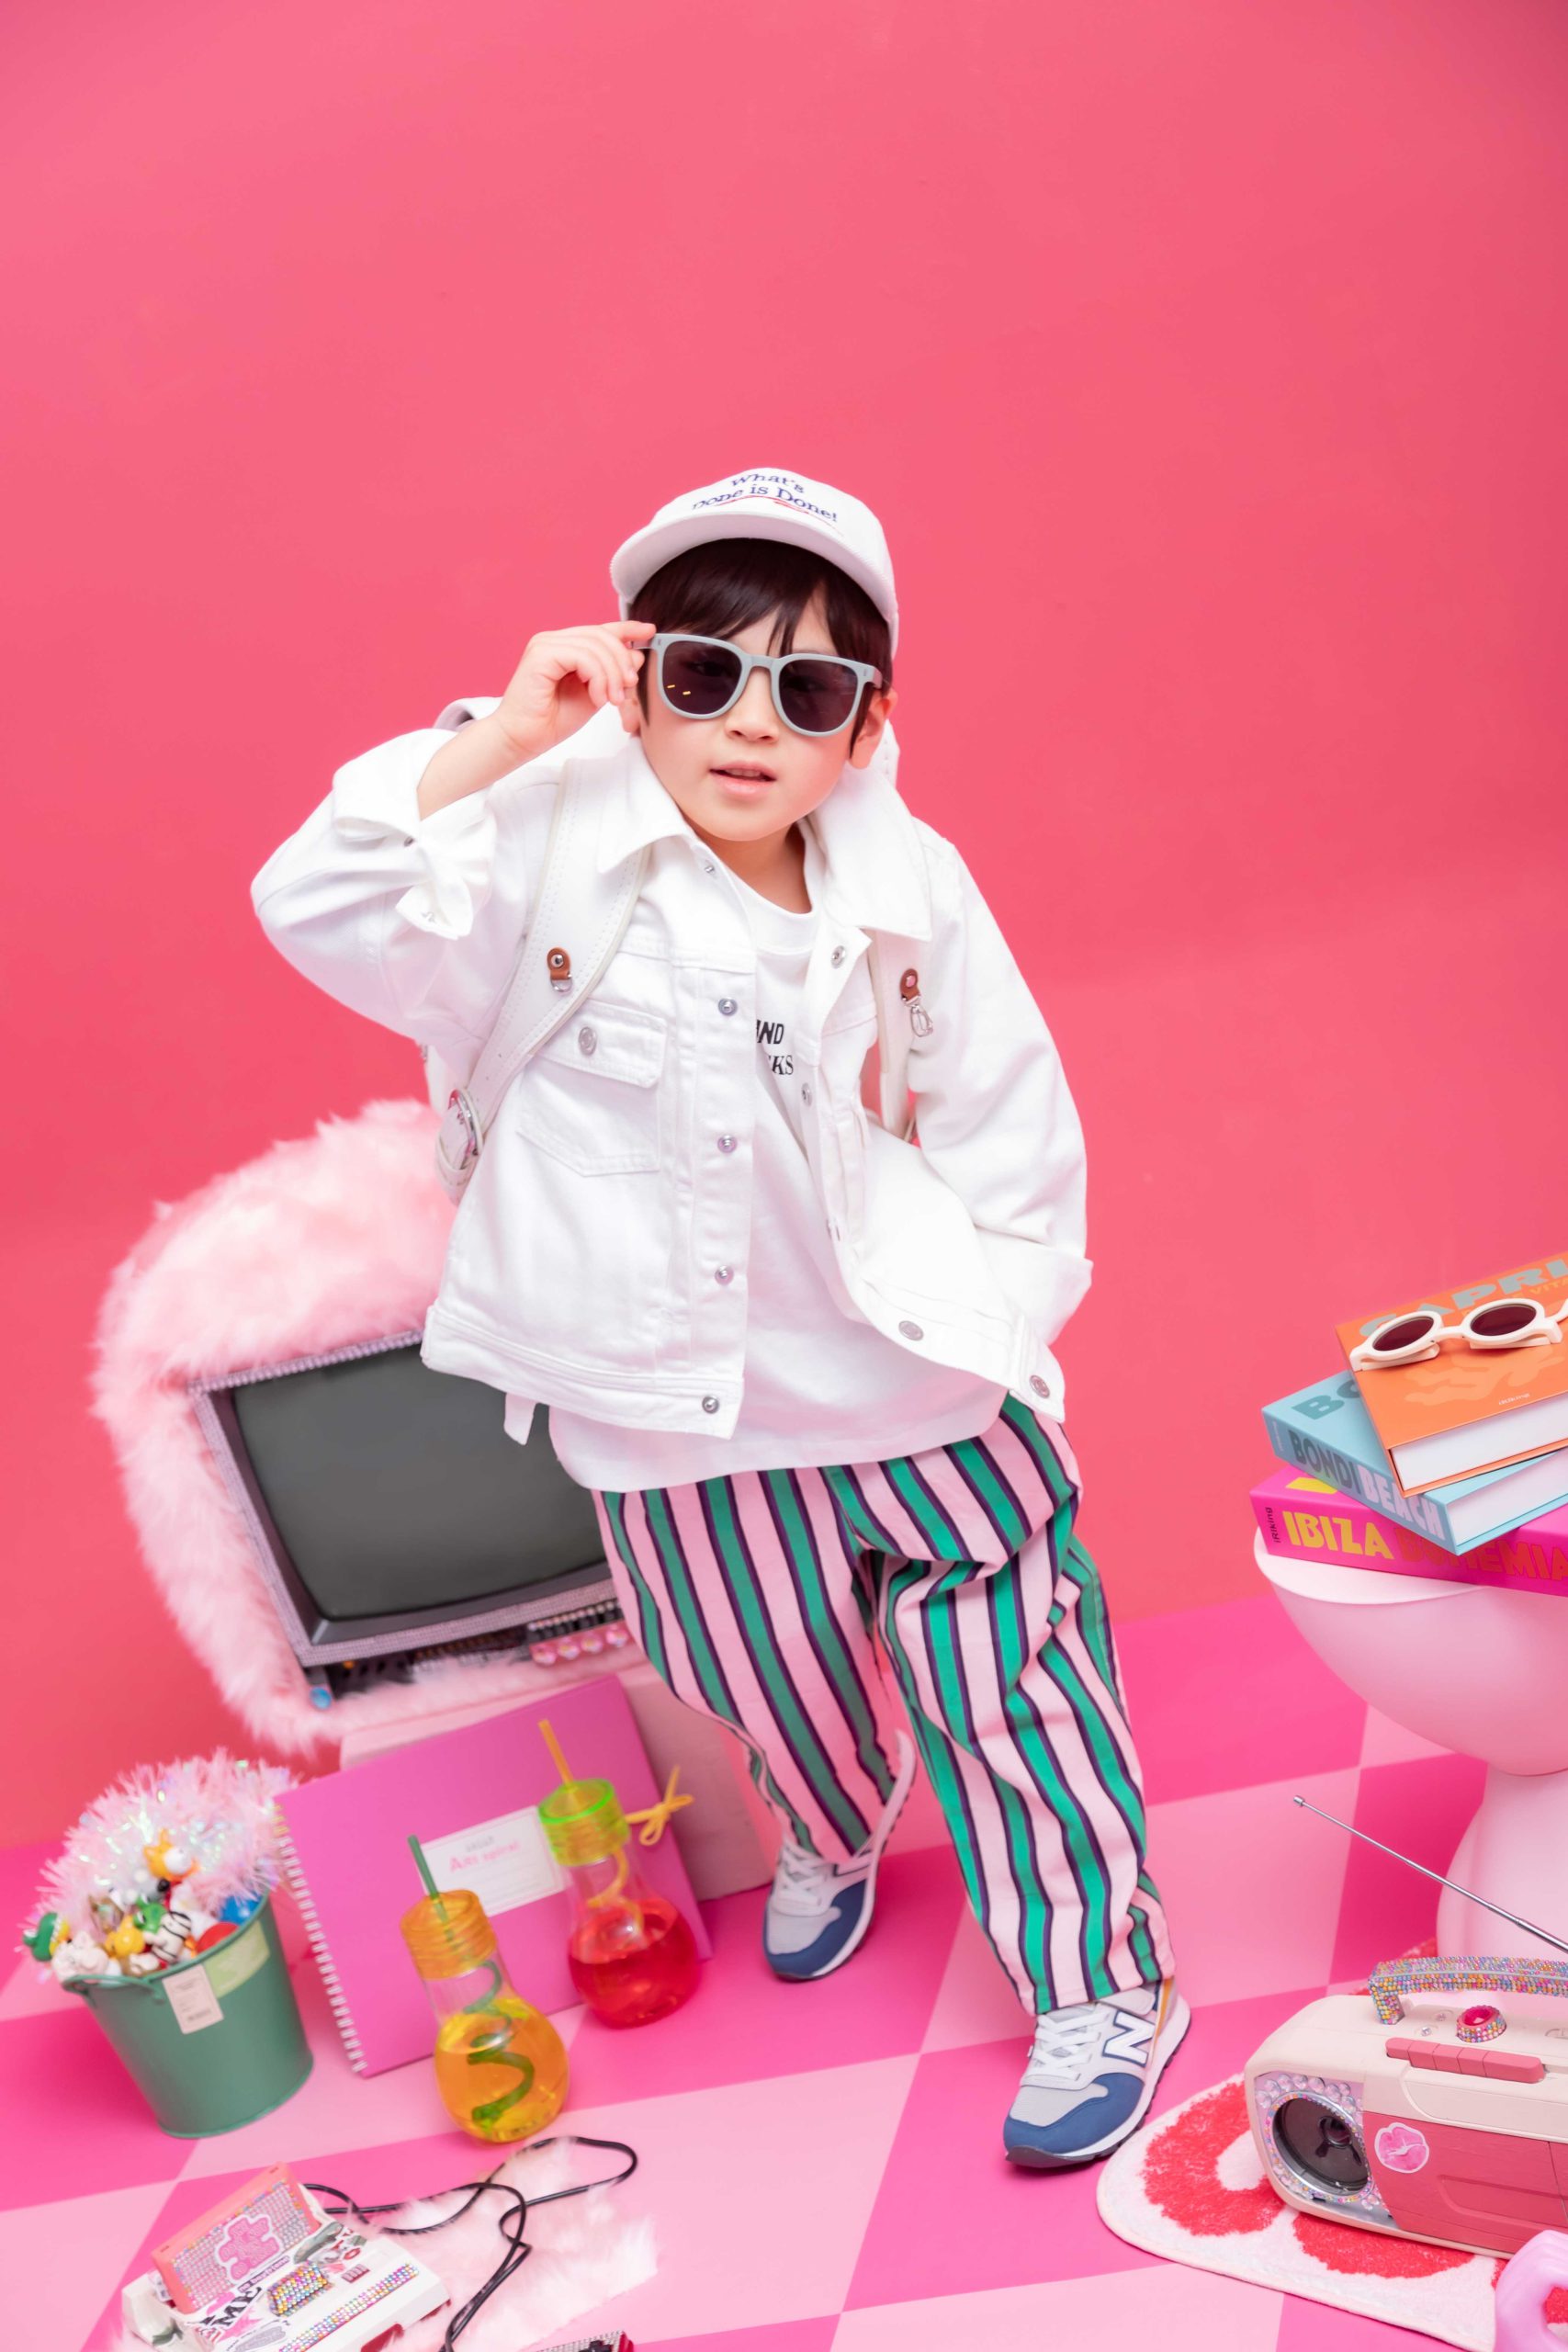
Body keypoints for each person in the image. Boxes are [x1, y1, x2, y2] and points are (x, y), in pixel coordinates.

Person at [252, 464, 1184, 2165]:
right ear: (636, 679)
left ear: (864, 728)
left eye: (808, 691)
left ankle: (1100, 1980)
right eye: (706, 672)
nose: (753, 722)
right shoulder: (532, 847)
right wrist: (497, 741)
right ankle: (833, 1821)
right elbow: (316, 904)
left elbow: (1008, 1114)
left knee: (1016, 1693)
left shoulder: (910, 880)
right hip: (673, 1419)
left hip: (916, 1389)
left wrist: (1003, 1326)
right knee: (761, 1683)